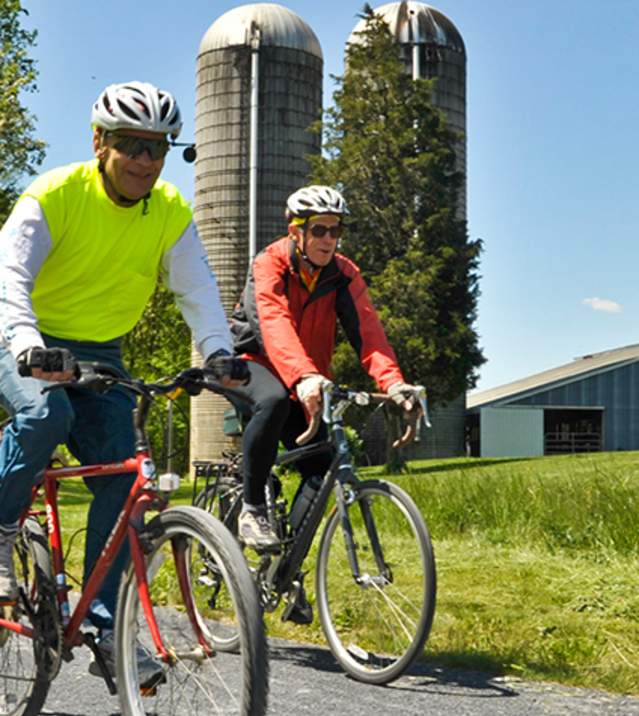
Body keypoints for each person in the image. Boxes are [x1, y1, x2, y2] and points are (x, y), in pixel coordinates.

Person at [0, 81, 245, 681]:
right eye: (132, 144)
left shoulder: (168, 211)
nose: (146, 160)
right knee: (46, 416)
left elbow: (198, 289)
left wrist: (218, 353)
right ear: (99, 143)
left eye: (159, 147)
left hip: (101, 349)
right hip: (19, 333)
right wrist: (30, 346)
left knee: (123, 469)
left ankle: (107, 625)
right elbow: (9, 278)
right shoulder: (55, 195)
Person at [229, 184, 421, 623]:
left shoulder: (343, 274)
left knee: (324, 468)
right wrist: (303, 376)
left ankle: (285, 567)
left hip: (308, 376)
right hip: (254, 363)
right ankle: (252, 505)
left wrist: (394, 385)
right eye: (319, 229)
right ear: (296, 231)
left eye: (336, 230)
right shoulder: (270, 262)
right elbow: (273, 324)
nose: (328, 239)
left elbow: (369, 335)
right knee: (274, 401)